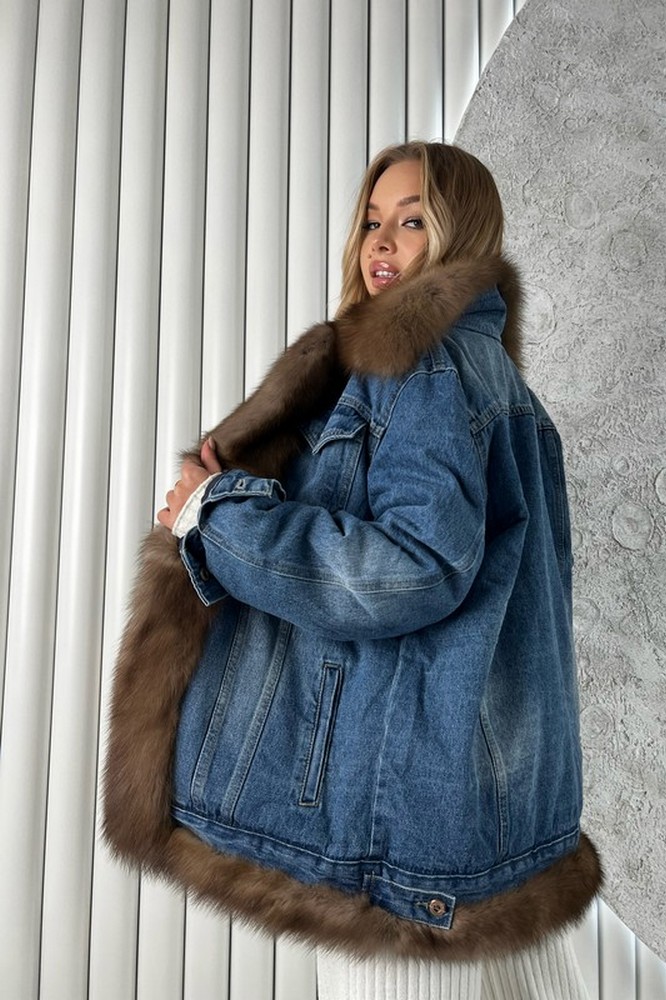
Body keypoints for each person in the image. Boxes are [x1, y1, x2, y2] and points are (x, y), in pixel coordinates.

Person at [106, 141, 601, 999]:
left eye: (413, 222)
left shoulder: (424, 366)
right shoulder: (506, 390)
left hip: (393, 835)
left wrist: (216, 513)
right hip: (486, 818)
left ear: (461, 234)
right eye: (373, 221)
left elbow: (412, 568)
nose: (382, 242)